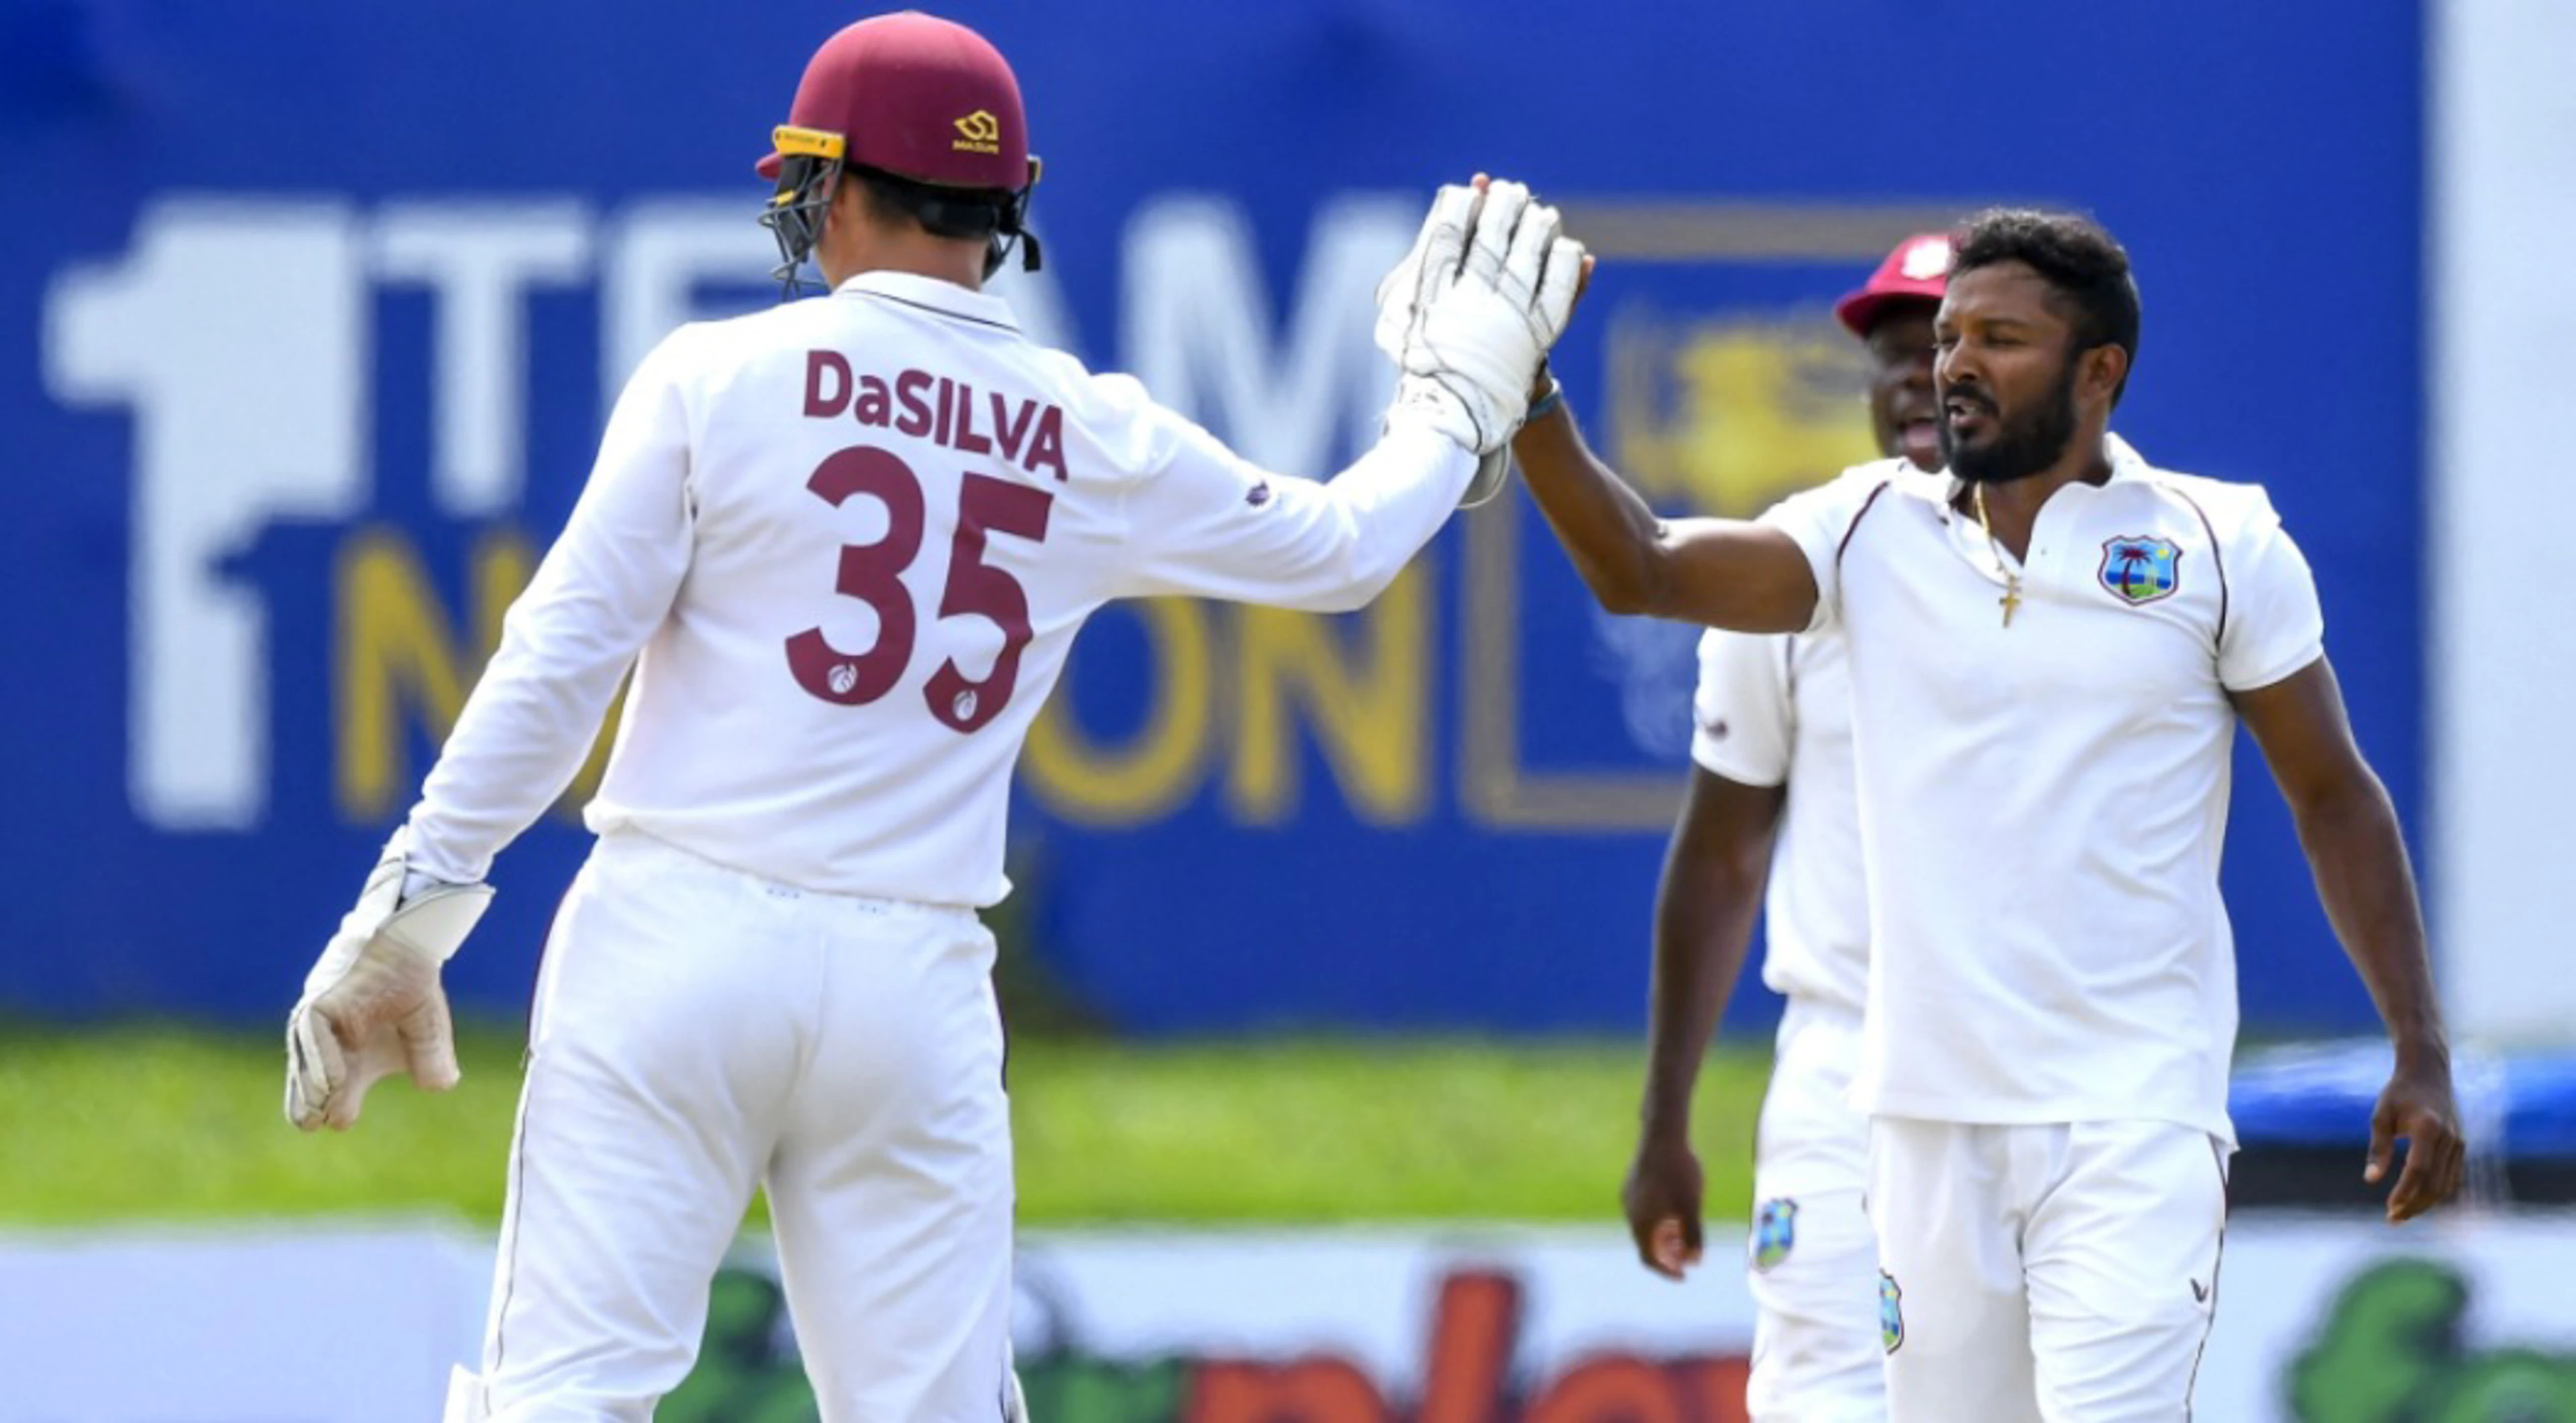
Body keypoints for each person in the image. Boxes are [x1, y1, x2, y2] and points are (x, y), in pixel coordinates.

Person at [278, 12, 1585, 1419]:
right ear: (1004, 211)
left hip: (678, 938)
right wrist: (1454, 408)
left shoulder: (719, 377)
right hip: (912, 987)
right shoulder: (1091, 427)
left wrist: (408, 919)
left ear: (828, 190)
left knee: (565, 1400)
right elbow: (1339, 549)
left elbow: (560, 656)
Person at [1516, 208, 2463, 1420]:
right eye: (1947, 336)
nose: (1952, 364)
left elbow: (2334, 795)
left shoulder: (2220, 544)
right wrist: (1531, 395)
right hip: (1918, 1121)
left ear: (2099, 372)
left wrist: (2419, 1049)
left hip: (2133, 1114)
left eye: (1995, 339)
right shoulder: (1858, 529)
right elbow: (1638, 567)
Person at [1619, 233, 1947, 1421]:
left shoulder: (2123, 566)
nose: (1916, 378)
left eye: (1951, 347)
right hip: (1843, 1081)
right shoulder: (1800, 563)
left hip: (2042, 1083)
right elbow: (1722, 854)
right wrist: (1666, 1120)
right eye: (1894, 356)